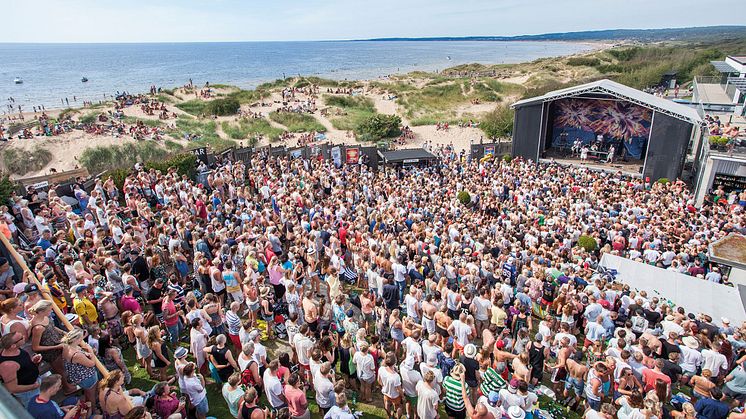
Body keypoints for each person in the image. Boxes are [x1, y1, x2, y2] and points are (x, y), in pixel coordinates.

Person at [0, 331, 41, 407]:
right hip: (28, 392)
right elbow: (12, 388)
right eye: (21, 338)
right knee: (35, 407)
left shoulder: (17, 350)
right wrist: (33, 386)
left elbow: (21, 367)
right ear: (13, 346)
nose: (24, 337)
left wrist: (33, 362)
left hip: (34, 382)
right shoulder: (8, 365)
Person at [61, 328, 98, 405]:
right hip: (87, 377)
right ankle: (93, 410)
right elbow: (92, 363)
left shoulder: (66, 347)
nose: (82, 339)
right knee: (91, 396)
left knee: (87, 393)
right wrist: (90, 350)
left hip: (77, 376)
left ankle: (88, 406)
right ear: (76, 339)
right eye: (81, 337)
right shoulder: (76, 355)